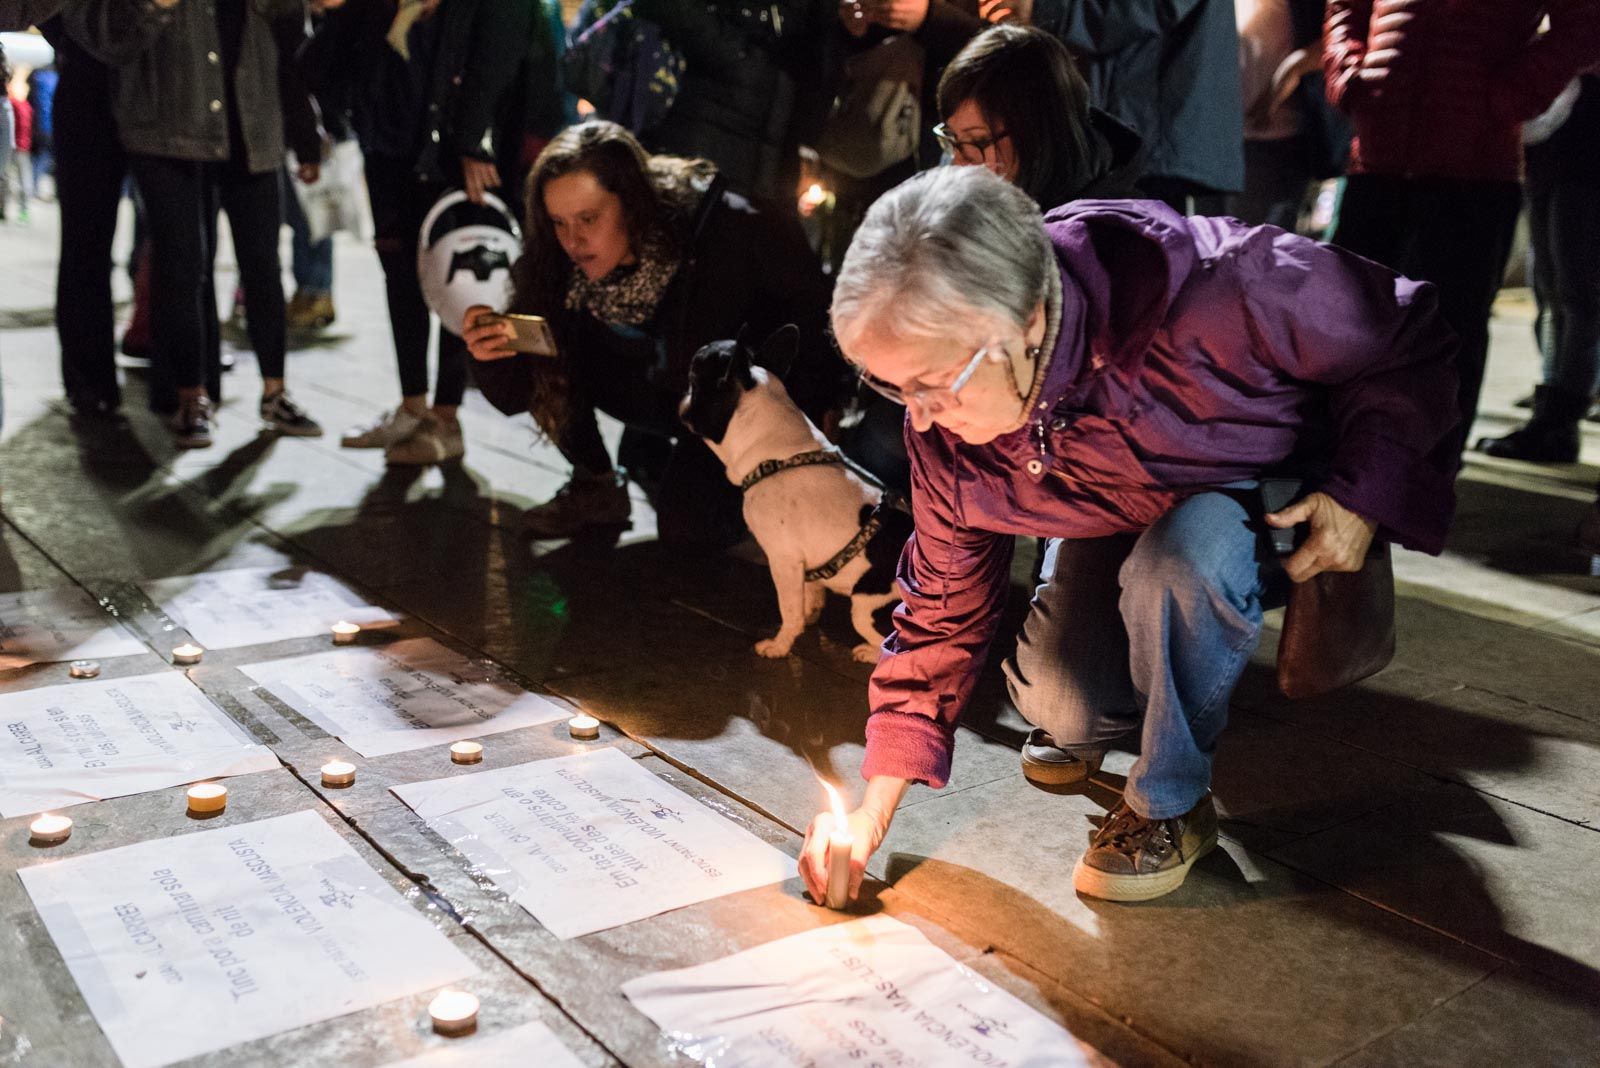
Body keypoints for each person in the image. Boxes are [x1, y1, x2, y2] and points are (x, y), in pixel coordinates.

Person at [798, 165, 1458, 905]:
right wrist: (871, 811)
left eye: (933, 383)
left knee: (1180, 566)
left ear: (1030, 323)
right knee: (1058, 703)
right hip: (1105, 508)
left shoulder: (1219, 289)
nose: (916, 417)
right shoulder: (951, 423)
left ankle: (1171, 804)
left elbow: (1406, 332)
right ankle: (1148, 655)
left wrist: (1360, 494)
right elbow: (940, 608)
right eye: (892, 387)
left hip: (1253, 494)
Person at [463, 120, 841, 546]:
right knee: (549, 344)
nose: (573, 239)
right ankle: (597, 485)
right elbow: (519, 394)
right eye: (559, 222)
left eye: (588, 218)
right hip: (660, 395)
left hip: (732, 410)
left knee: (688, 531)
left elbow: (814, 310)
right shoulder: (556, 266)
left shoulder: (726, 227)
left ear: (632, 203)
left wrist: (820, 404)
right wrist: (491, 354)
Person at [1323, 0, 1600, 449]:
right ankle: (1338, 469)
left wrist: (1507, 98)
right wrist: (1350, 77)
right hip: (1379, 160)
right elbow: (1345, 8)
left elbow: (1583, 25)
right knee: (1349, 325)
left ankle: (1424, 484)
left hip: (1472, 172)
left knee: (1449, 337)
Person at [67, 0, 325, 448]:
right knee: (183, 264)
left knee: (263, 265)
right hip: (165, 127)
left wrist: (305, 131)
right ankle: (191, 397)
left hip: (251, 125)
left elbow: (290, 42)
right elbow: (105, 40)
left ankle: (275, 392)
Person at [304, 0, 544, 466]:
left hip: (460, 155)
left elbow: (499, 57)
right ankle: (413, 405)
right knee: (401, 276)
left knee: (463, 277)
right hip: (391, 153)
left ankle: (446, 417)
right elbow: (318, 68)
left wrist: (473, 140)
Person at [1476, 72, 1600, 463]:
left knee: (1577, 295)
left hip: (1587, 157)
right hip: (1548, 155)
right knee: (1548, 292)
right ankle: (1550, 411)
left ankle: (1559, 422)